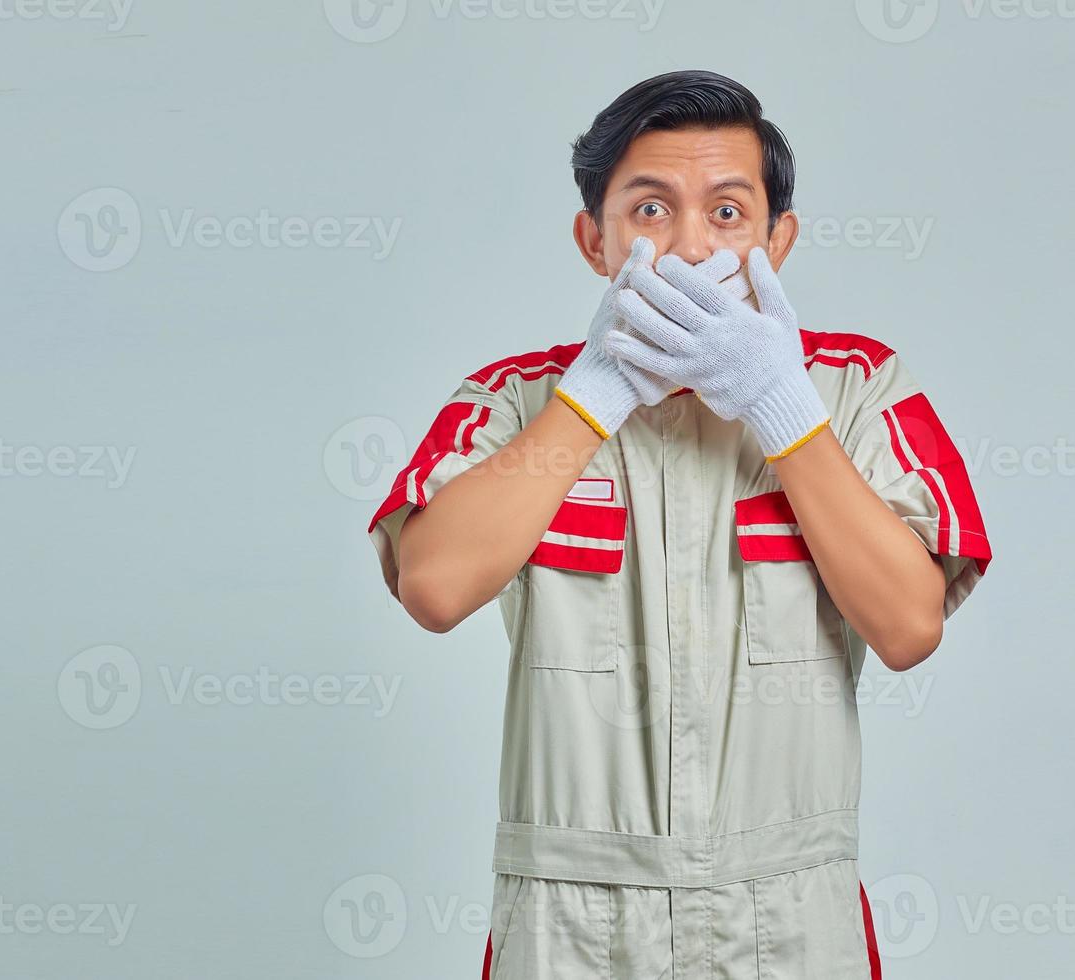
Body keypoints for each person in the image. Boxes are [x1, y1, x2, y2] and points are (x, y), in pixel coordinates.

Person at [367, 69, 992, 979]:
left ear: (779, 238)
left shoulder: (857, 389)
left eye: (729, 213)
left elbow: (907, 626)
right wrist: (595, 394)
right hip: (569, 916)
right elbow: (432, 585)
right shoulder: (516, 399)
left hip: (788, 915)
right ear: (596, 239)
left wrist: (781, 405)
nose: (691, 244)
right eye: (650, 210)